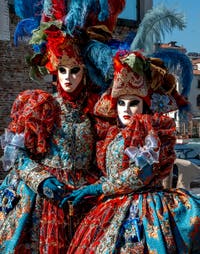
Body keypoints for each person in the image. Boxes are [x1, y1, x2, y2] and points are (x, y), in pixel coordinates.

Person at [0, 0, 126, 253]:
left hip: (85, 201)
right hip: (46, 201)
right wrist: (42, 181)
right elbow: (16, 154)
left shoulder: (98, 110)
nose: (68, 78)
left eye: (75, 70)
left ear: (85, 71)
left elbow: (108, 155)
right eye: (63, 71)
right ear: (55, 71)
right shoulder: (41, 105)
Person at [62, 50, 200, 253]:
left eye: (133, 103)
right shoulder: (111, 135)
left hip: (144, 209)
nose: (126, 109)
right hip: (109, 208)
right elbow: (111, 173)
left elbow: (141, 174)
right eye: (121, 103)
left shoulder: (152, 131)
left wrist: (98, 189)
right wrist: (88, 188)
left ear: (144, 104)